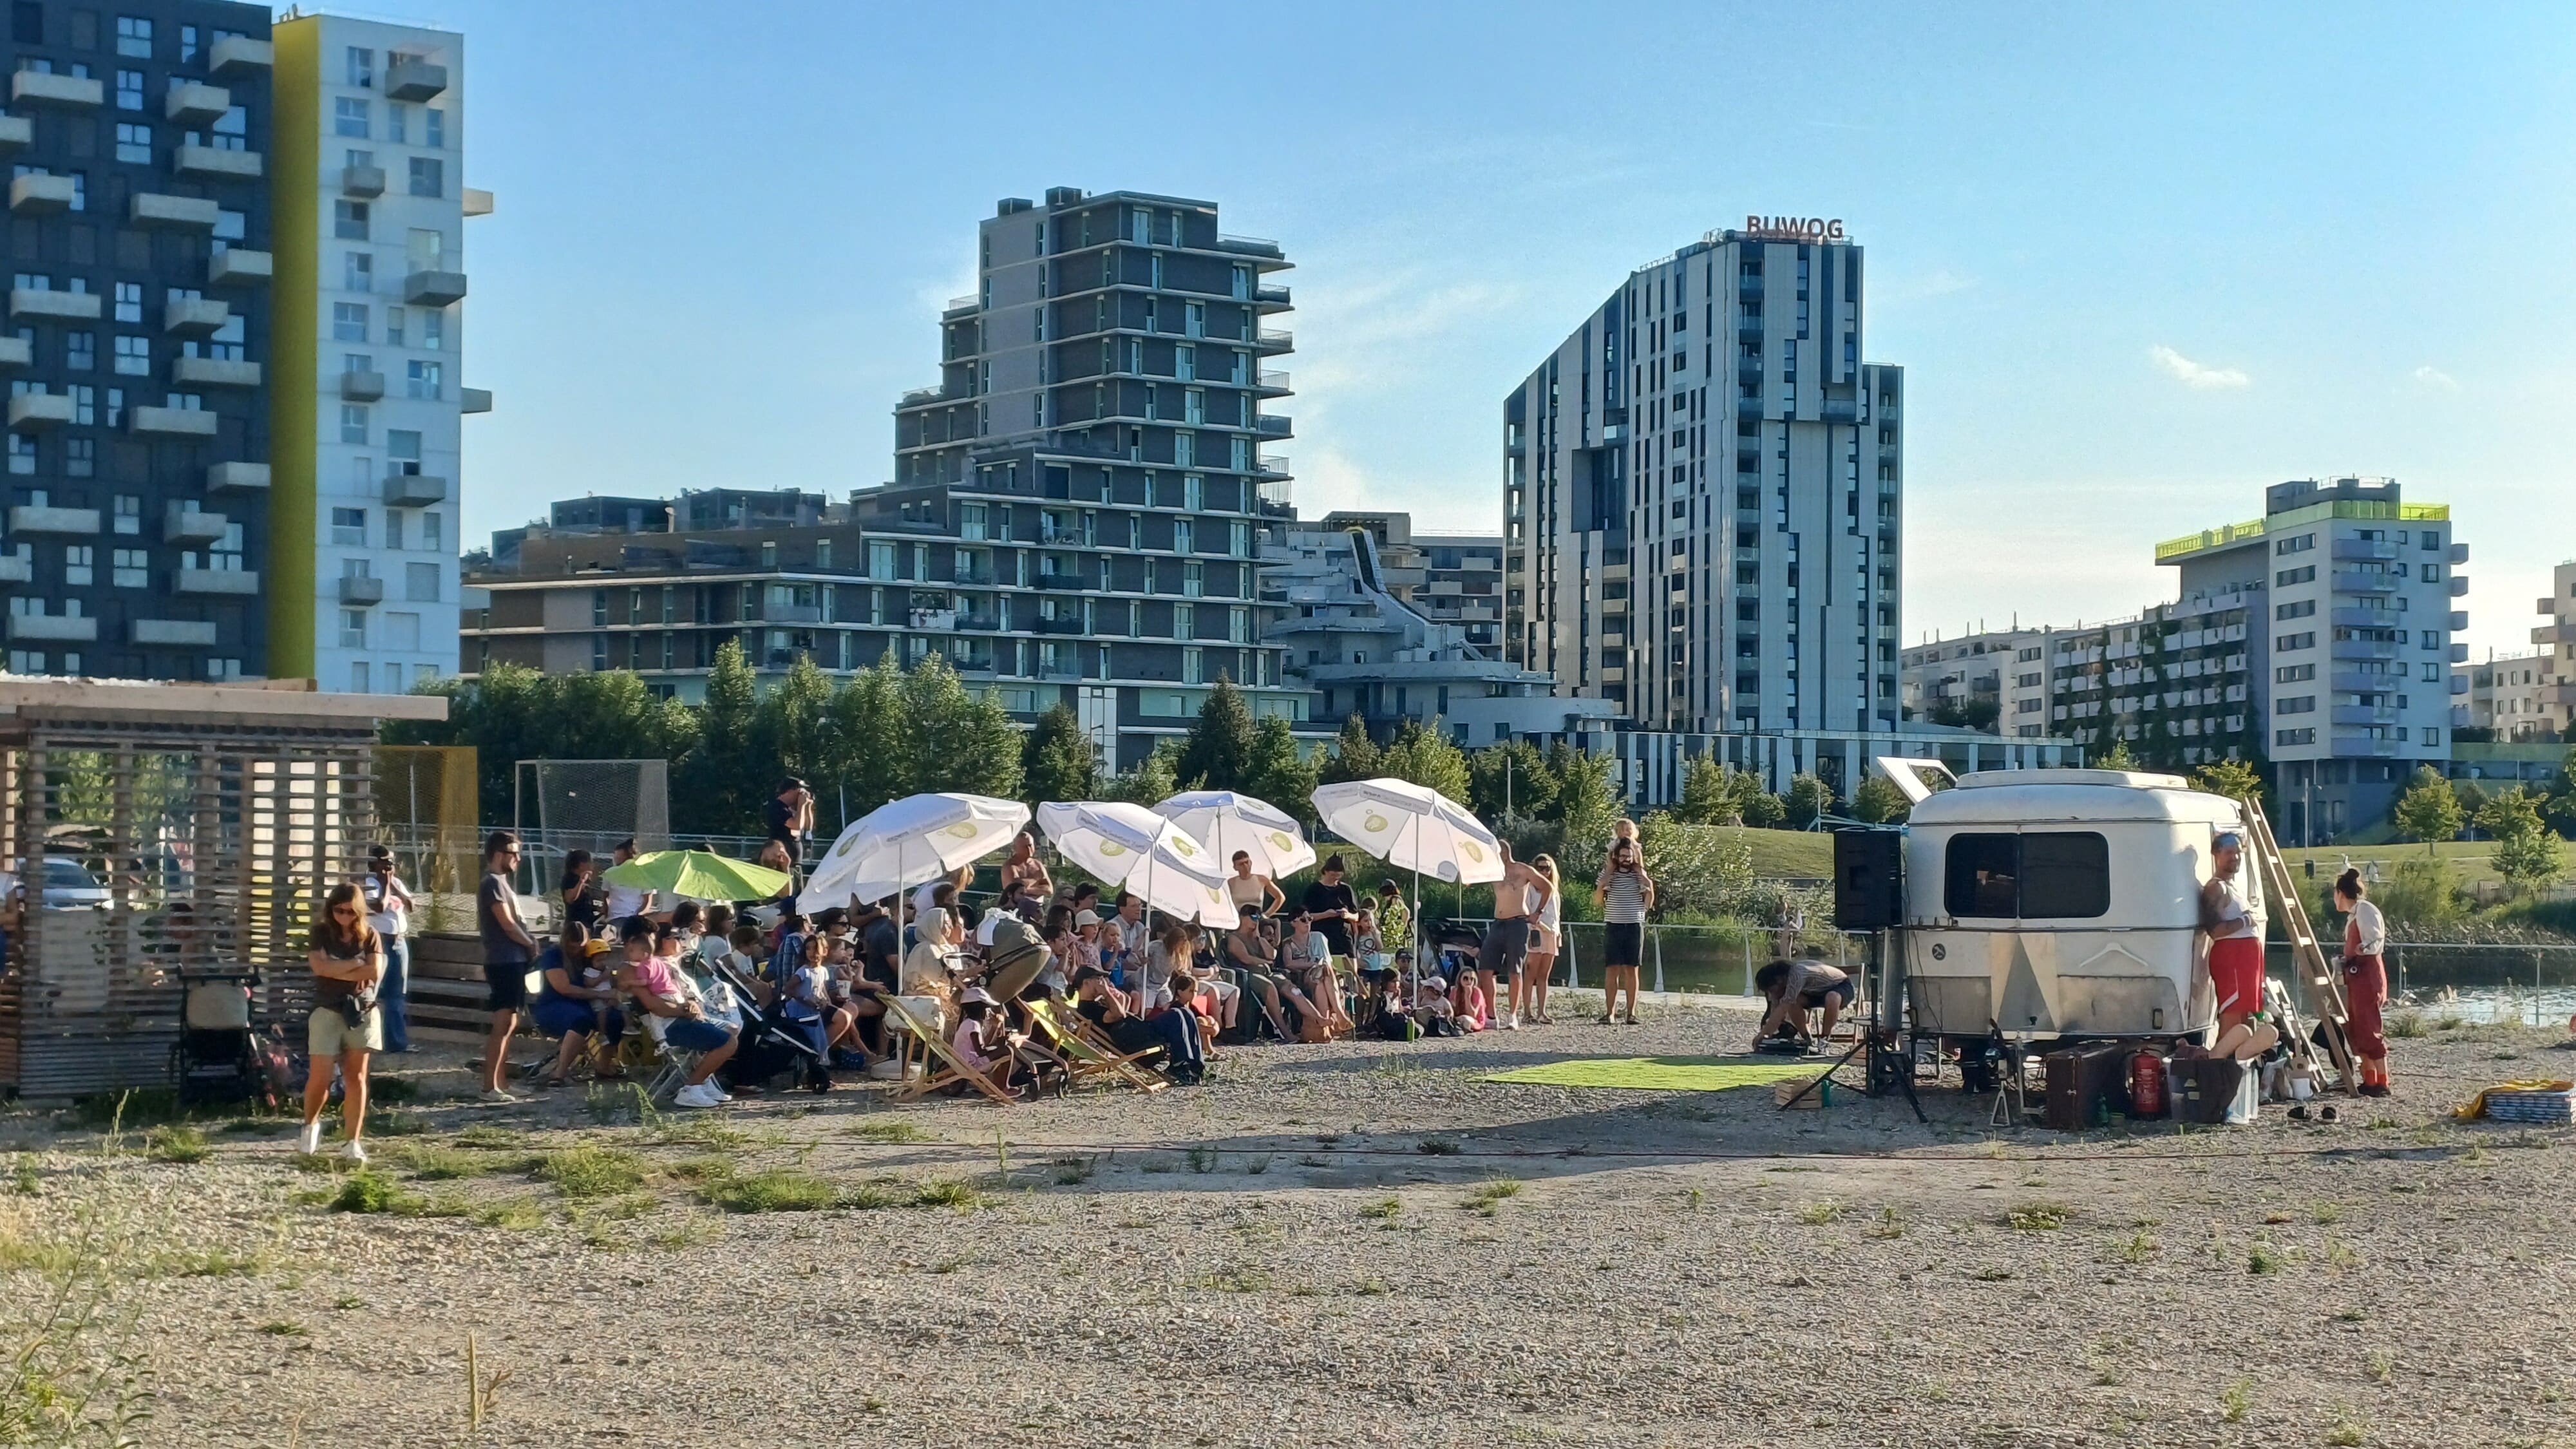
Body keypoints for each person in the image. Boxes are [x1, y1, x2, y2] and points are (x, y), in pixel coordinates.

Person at [298, 882, 384, 1160]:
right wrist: (356, 966)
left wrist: (337, 970)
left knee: (356, 1077)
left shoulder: (371, 935)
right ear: (330, 909)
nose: (344, 916)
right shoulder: (321, 933)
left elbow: (374, 971)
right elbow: (319, 968)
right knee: (320, 1076)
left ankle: (352, 1142)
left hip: (362, 1009)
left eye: (350, 912)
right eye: (339, 910)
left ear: (359, 911)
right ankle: (310, 1125)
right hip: (327, 1009)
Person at [619, 922, 739, 1109]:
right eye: (650, 938)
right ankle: (692, 1088)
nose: (653, 942)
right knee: (728, 1042)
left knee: (732, 1029)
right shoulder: (630, 972)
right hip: (667, 1026)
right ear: (634, 942)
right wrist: (684, 1010)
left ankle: (703, 1080)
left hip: (678, 1016)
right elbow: (654, 1006)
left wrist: (688, 1005)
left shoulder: (652, 964)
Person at [477, 831, 536, 1103]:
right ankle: (490, 1087)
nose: (518, 859)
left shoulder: (502, 883)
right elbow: (507, 924)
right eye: (513, 853)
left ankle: (502, 1083)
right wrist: (530, 944)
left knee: (511, 1022)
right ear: (499, 854)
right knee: (502, 1023)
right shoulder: (491, 884)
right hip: (504, 961)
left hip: (514, 961)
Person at [1073, 964, 1203, 1084]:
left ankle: (1196, 1066)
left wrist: (1112, 995)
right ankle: (1179, 1067)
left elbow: (1123, 1009)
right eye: (1099, 979)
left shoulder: (1097, 1002)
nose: (1103, 983)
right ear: (1086, 982)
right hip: (1137, 1043)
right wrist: (1107, 994)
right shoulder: (1086, 1008)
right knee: (1176, 1014)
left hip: (1141, 1032)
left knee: (1185, 1012)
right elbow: (1118, 1015)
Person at [533, 925, 625, 1086]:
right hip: (555, 1004)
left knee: (616, 1018)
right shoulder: (554, 955)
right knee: (580, 1021)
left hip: (586, 1004)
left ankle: (603, 1066)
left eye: (580, 947)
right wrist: (600, 995)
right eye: (572, 947)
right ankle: (559, 1073)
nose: (576, 951)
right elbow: (564, 989)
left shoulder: (588, 955)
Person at [2199, 831, 2266, 1039]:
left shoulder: (2233, 886)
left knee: (2245, 1021)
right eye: (2229, 852)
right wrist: (2246, 920)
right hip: (2232, 959)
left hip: (2246, 960)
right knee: (2232, 1020)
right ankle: (2220, 1065)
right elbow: (2216, 931)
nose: (2235, 857)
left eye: (2238, 852)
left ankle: (2241, 1063)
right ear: (2216, 854)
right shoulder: (2216, 888)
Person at [1479, 840, 1549, 1032]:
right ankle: (1492, 1016)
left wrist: (1538, 912)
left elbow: (1547, 887)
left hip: (1517, 922)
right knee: (1485, 969)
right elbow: (1470, 880)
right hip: (1498, 922)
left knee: (1514, 970)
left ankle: (1512, 1015)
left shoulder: (1522, 870)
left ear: (1504, 853)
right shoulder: (1492, 871)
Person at [2334, 868, 2392, 1097]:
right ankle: (2370, 1078)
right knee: (2358, 1027)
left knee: (2370, 1027)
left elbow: (2375, 939)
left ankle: (2382, 1080)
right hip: (2357, 977)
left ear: (2341, 893)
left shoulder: (2365, 910)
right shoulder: (2354, 915)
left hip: (2367, 975)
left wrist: (2362, 949)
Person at [361, 844, 415, 1054]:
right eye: (386, 861)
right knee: (372, 991)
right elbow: (379, 907)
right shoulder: (370, 884)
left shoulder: (396, 882)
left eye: (393, 861)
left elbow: (411, 905)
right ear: (375, 863)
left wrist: (394, 886)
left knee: (396, 994)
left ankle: (396, 1042)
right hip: (379, 942)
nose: (391, 865)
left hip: (399, 941)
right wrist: (386, 885)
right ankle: (368, 1039)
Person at [1595, 834, 1653, 1025]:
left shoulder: (1639, 877)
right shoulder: (1608, 875)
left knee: (1632, 970)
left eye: (1629, 856)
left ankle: (1631, 1013)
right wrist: (1604, 881)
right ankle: (1609, 1012)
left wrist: (1648, 884)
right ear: (1616, 857)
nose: (1625, 860)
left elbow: (1649, 902)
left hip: (1634, 926)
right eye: (1622, 856)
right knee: (1612, 970)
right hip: (1614, 925)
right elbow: (1597, 901)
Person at [1754, 959, 1853, 1048]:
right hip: (1814, 993)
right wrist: (1766, 1035)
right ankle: (1807, 1039)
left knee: (1832, 997)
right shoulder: (1783, 982)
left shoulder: (1796, 974)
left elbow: (1783, 1007)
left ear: (1779, 980)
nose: (1773, 994)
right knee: (1793, 1001)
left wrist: (1763, 1034)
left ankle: (1824, 1040)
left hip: (1840, 986)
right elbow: (1777, 1010)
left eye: (1772, 990)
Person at [1523, 854, 1562, 1026]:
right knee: (1530, 974)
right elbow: (1526, 910)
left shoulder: (1554, 891)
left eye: (1547, 868)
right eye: (1541, 868)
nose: (1545, 872)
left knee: (1544, 976)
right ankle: (1527, 1012)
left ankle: (1541, 1012)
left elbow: (1557, 915)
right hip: (1535, 932)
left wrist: (1558, 933)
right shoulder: (1530, 888)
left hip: (1551, 932)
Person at [1302, 855, 1360, 962]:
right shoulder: (1313, 889)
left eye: (1338, 876)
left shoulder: (1346, 889)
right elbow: (1306, 916)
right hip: (1321, 937)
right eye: (1333, 875)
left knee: (1350, 969)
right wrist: (1326, 914)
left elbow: (1356, 916)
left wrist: (1348, 915)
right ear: (1325, 872)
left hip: (1343, 937)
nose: (1335, 878)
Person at [603, 837, 657, 923]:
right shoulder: (609, 873)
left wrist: (637, 916)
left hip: (635, 920)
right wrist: (606, 916)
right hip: (613, 919)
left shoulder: (645, 875)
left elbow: (647, 902)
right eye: (616, 857)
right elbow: (605, 898)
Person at [764, 776, 815, 864]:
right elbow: (797, 825)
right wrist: (801, 805)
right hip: (781, 861)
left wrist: (807, 806)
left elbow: (808, 827)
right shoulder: (777, 808)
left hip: (795, 861)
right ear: (789, 791)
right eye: (800, 792)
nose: (801, 795)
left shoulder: (793, 809)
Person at [1227, 851, 1287, 920]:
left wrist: (1267, 915)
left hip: (1257, 919)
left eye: (1247, 862)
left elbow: (1280, 897)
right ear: (1235, 867)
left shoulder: (1261, 879)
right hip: (1239, 920)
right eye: (1241, 864)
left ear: (1251, 863)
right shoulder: (1231, 883)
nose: (1245, 866)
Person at [1000, 831, 1053, 904]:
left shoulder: (1038, 865)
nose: (1029, 849)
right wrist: (1037, 884)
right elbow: (1015, 892)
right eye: (1025, 847)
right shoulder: (1010, 867)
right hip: (1017, 909)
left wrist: (1027, 888)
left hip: (1038, 908)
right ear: (1015, 848)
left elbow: (1049, 890)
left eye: (1030, 845)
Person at [558, 850, 603, 934]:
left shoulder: (586, 881)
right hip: (575, 925)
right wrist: (581, 882)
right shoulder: (570, 879)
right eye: (590, 862)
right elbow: (570, 899)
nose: (592, 865)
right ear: (581, 864)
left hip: (587, 922)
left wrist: (599, 909)